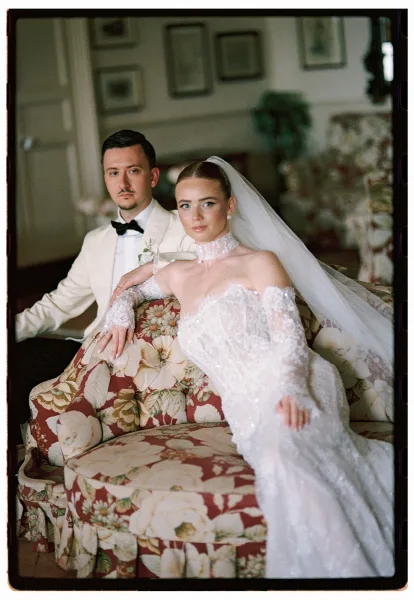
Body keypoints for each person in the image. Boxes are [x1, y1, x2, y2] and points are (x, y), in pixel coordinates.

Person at [96, 157, 394, 579]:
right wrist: (120, 313)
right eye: (184, 206)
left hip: (296, 380)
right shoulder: (180, 274)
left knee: (286, 461)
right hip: (245, 409)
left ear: (230, 206)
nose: (195, 217)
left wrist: (293, 390)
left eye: (207, 204)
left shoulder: (260, 262)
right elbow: (129, 292)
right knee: (279, 463)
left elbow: (289, 336)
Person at [12, 129, 195, 435]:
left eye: (133, 171)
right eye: (113, 173)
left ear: (152, 177)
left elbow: (211, 261)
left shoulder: (185, 226)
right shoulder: (96, 240)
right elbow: (58, 303)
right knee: (14, 358)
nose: (122, 183)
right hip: (90, 349)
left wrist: (156, 264)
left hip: (147, 359)